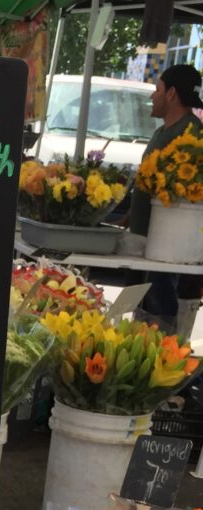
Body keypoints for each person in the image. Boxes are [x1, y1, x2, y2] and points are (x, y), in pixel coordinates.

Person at [129, 65, 203, 327]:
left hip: (169, 251)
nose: (153, 96)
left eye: (158, 89)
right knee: (141, 313)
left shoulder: (192, 135)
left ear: (171, 94)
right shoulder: (163, 132)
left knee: (161, 316)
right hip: (146, 243)